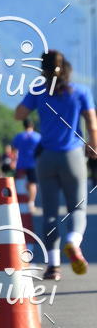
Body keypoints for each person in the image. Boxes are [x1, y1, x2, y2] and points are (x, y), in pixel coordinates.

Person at [15, 49, 97, 280]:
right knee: (77, 208)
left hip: (46, 158)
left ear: (43, 69)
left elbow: (19, 115)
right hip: (73, 156)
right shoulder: (81, 92)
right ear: (67, 68)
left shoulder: (39, 90)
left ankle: (53, 266)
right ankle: (73, 242)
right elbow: (92, 120)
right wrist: (93, 144)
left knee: (50, 213)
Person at [12, 117, 41, 209]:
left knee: (20, 184)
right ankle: (31, 203)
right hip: (33, 164)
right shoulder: (38, 136)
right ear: (32, 125)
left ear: (23, 126)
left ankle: (21, 203)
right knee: (32, 183)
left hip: (20, 164)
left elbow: (13, 149)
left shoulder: (19, 136)